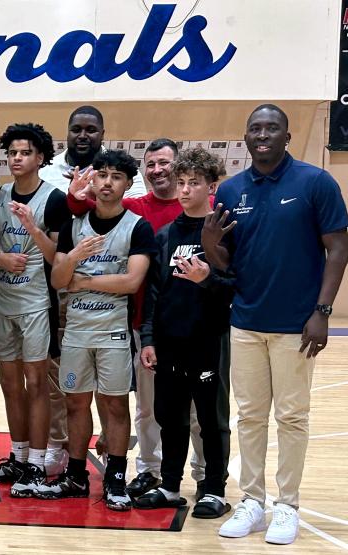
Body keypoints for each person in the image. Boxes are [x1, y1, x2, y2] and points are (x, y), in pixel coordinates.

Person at [204, 104, 348, 545]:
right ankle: (252, 501)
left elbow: (339, 248)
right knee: (248, 417)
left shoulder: (315, 182)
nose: (262, 134)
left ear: (287, 136)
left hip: (297, 325)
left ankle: (287, 505)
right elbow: (227, 265)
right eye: (255, 128)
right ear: (246, 138)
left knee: (291, 417)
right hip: (246, 321)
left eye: (272, 128)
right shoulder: (230, 190)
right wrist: (210, 245)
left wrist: (321, 313)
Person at [37, 149, 155, 511]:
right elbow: (58, 279)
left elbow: (132, 281)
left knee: (115, 405)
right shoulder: (75, 225)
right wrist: (73, 257)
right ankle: (75, 476)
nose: (106, 182)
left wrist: (84, 280)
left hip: (113, 333)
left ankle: (116, 478)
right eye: (101, 174)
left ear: (128, 184)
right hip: (76, 331)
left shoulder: (138, 226)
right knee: (75, 404)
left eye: (115, 176)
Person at [134, 146, 233, 519]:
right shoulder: (164, 235)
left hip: (208, 340)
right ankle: (170, 486)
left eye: (195, 183)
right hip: (169, 341)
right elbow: (154, 293)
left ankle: (214, 490)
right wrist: (148, 338)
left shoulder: (224, 229)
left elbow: (234, 286)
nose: (186, 190)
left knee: (210, 418)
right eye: (182, 182)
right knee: (169, 416)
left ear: (212, 185)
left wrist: (207, 279)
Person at [0, 124, 70, 497]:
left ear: (41, 158)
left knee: (36, 384)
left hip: (38, 304)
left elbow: (58, 260)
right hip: (6, 304)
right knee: (9, 383)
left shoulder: (54, 199)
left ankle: (37, 461)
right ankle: (18, 454)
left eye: (25, 152)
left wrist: (32, 226)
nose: (17, 158)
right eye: (12, 152)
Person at [39, 105, 146, 198]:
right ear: (68, 133)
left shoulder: (125, 170)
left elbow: (134, 213)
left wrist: (97, 198)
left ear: (102, 134)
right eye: (76, 130)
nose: (82, 136)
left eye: (91, 130)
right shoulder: (45, 170)